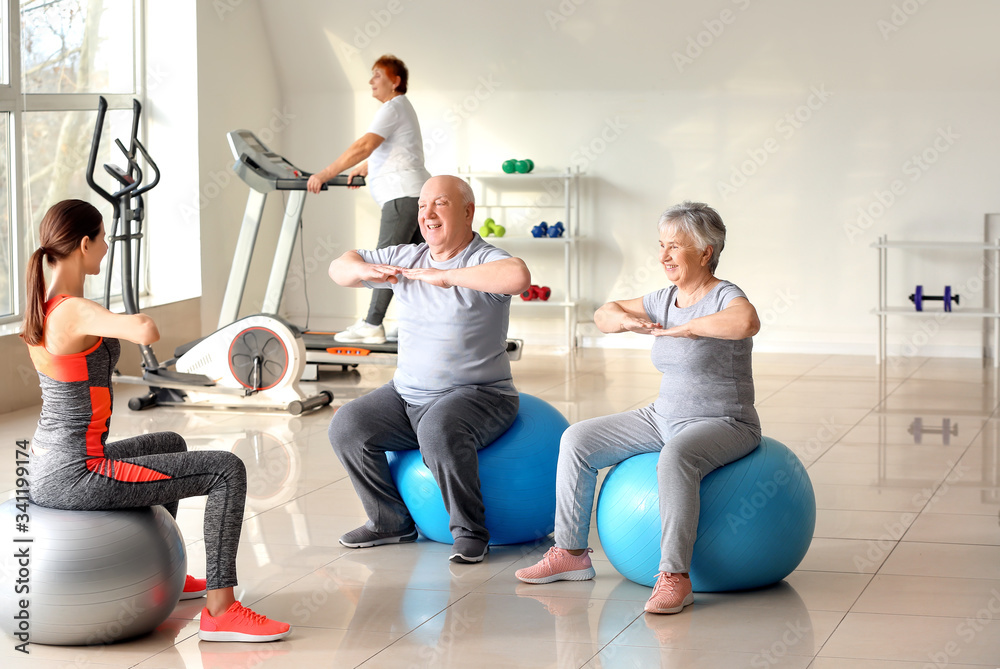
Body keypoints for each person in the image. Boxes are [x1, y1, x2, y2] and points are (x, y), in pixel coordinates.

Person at [20, 199, 290, 642]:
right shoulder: (71, 310)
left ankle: (167, 573)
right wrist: (131, 321)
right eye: (103, 239)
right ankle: (221, 611)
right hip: (77, 473)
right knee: (227, 469)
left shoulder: (46, 304)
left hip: (51, 464)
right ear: (84, 244)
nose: (106, 248)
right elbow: (146, 329)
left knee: (169, 442)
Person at [515, 201, 761, 615]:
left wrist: (690, 327)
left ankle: (674, 577)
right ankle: (570, 553)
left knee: (676, 456)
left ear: (705, 252)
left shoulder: (724, 295)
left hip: (725, 421)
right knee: (577, 439)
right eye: (661, 245)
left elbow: (746, 322)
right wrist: (625, 320)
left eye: (674, 247)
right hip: (663, 415)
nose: (663, 256)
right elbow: (603, 314)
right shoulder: (665, 298)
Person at [327, 175, 531, 563]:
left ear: (468, 211)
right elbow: (340, 265)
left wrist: (446, 276)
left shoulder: (483, 258)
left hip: (481, 396)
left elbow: (518, 276)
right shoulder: (408, 257)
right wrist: (362, 270)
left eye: (440, 203)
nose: (428, 214)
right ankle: (390, 522)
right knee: (347, 425)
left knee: (438, 428)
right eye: (422, 206)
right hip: (407, 395)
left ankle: (471, 532)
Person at [307, 54, 431, 345]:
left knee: (386, 262)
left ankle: (372, 324)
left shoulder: (392, 107)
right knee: (409, 265)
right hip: (413, 194)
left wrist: (324, 173)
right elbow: (400, 149)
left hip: (402, 197)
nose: (371, 81)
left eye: (377, 75)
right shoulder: (402, 108)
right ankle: (415, 322)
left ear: (395, 81)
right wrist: (367, 168)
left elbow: (365, 145)